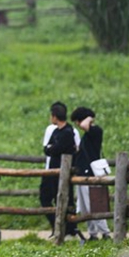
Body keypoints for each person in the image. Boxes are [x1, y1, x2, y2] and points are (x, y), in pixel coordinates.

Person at [40, 101, 83, 242]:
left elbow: (61, 149)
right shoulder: (55, 131)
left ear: (55, 116)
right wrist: (53, 148)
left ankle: (69, 230)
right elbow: (47, 149)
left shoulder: (69, 132)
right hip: (51, 171)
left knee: (66, 199)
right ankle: (57, 227)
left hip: (62, 172)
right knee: (46, 198)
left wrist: (53, 148)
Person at [71, 107, 111, 241]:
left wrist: (90, 117)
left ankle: (105, 232)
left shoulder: (96, 131)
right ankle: (93, 233)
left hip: (91, 174)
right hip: (83, 174)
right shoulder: (88, 135)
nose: (78, 124)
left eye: (78, 120)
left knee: (95, 205)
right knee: (86, 207)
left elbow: (83, 124)